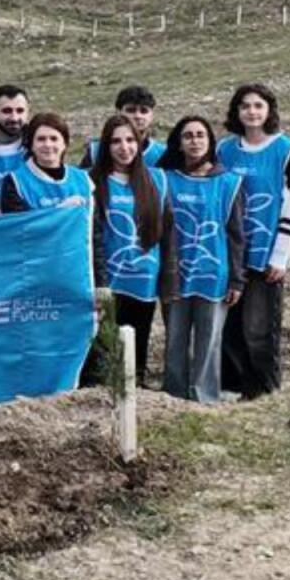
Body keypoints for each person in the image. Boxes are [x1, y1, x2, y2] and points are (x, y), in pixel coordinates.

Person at [216, 83, 290, 399]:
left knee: (260, 328)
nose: (251, 111)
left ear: (268, 111)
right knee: (230, 324)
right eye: (244, 106)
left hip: (265, 253)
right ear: (236, 112)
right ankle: (233, 385)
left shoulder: (286, 150)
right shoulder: (224, 150)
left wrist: (281, 255)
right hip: (229, 253)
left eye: (258, 105)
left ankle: (265, 389)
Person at [158, 116, 245, 403]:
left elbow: (236, 235)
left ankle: (205, 396)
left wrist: (236, 278)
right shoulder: (165, 179)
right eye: (188, 136)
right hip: (175, 273)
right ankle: (173, 395)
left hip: (214, 273)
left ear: (210, 142)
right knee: (175, 340)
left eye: (200, 135)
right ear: (179, 143)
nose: (194, 140)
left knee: (209, 341)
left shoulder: (228, 182)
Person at [87, 114, 172, 381]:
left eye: (129, 140)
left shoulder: (157, 179)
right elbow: (92, 236)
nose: (124, 147)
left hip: (145, 278)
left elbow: (166, 230)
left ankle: (136, 400)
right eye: (116, 141)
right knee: (105, 350)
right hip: (110, 280)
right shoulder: (93, 182)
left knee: (137, 348)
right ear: (106, 146)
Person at [0, 112, 94, 213]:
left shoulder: (84, 180)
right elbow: (18, 225)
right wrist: (60, 211)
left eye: (54, 139)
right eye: (41, 139)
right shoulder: (15, 182)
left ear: (65, 144)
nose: (48, 145)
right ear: (31, 144)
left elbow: (94, 225)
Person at [81, 86, 167, 169]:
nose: (138, 116)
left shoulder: (162, 154)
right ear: (118, 112)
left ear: (152, 115)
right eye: (131, 110)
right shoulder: (95, 151)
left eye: (144, 111)